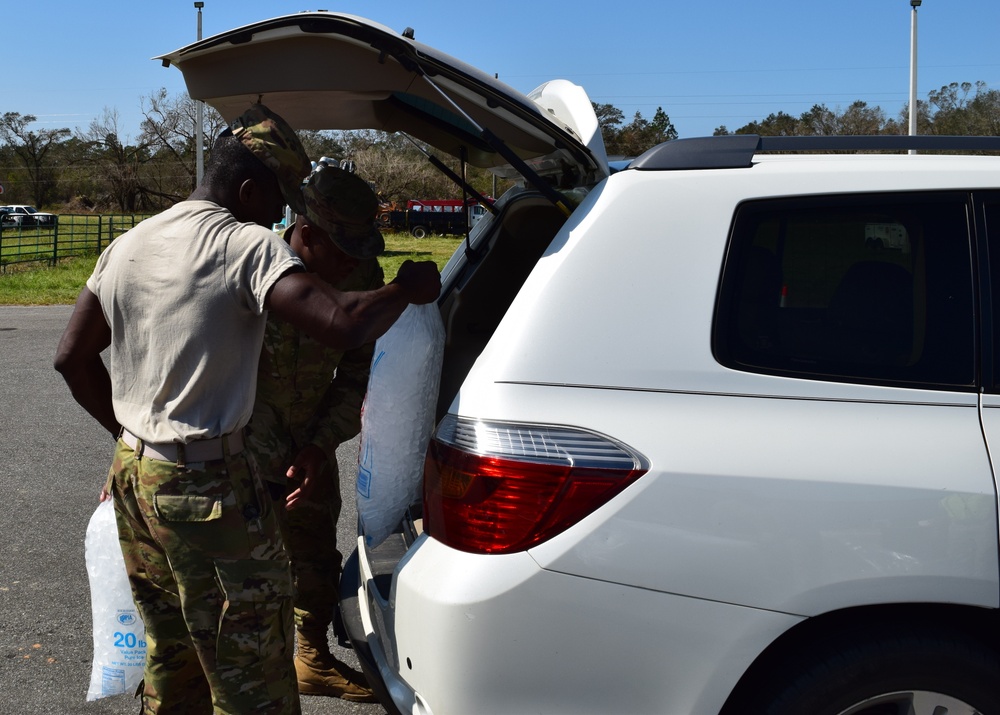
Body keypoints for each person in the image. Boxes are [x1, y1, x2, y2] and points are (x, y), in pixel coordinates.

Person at [53, 103, 440, 715]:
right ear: (247, 189)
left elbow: (71, 358)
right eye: (277, 201)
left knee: (172, 662)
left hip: (134, 478)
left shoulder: (130, 243)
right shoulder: (242, 243)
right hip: (209, 486)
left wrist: (141, 442)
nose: (280, 216)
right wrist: (405, 288)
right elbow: (341, 322)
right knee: (252, 678)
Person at [247, 165, 384, 702]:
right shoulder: (251, 265)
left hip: (310, 434)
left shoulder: (360, 278)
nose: (355, 261)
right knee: (232, 556)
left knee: (314, 555)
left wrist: (319, 442)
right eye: (344, 247)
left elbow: (358, 374)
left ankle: (310, 658)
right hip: (240, 440)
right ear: (306, 232)